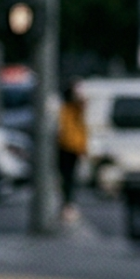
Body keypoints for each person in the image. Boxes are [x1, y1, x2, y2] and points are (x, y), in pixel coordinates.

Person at [57, 81, 88, 222]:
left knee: (68, 177)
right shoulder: (69, 110)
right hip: (68, 146)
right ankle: (67, 205)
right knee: (68, 177)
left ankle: (67, 205)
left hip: (70, 146)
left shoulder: (70, 110)